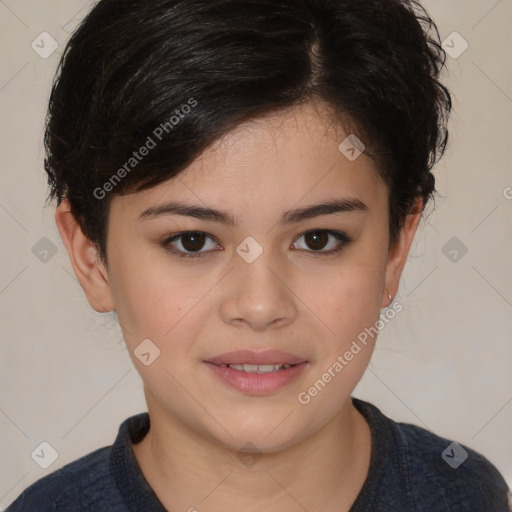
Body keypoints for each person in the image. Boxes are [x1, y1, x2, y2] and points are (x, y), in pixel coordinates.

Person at [6, 0, 511, 510]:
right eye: (192, 241)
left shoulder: (470, 495)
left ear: (395, 249)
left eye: (318, 239)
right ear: (92, 257)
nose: (261, 305)